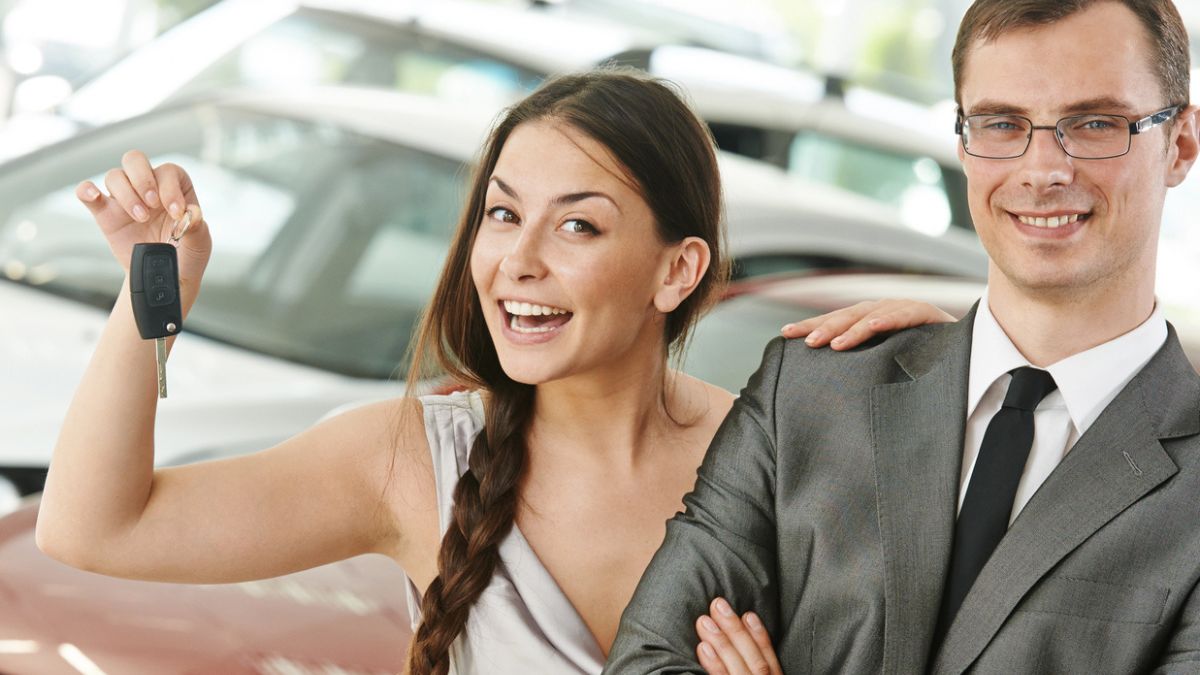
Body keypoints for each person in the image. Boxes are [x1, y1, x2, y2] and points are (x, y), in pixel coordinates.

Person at [33, 69, 951, 675]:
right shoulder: (409, 459)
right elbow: (94, 527)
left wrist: (965, 368)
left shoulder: (790, 466)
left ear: (678, 270)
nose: (518, 260)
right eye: (505, 215)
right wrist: (155, 291)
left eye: (578, 225)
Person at [604, 1, 1200, 673]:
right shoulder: (807, 389)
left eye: (1094, 123)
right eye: (1001, 123)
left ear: (1180, 143)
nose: (1042, 170)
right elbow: (646, 659)